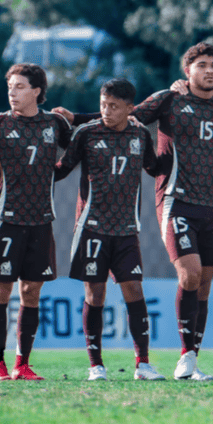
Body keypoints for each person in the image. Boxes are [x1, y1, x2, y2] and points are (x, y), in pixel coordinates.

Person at [56, 42, 213, 380]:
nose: (209, 71)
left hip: (212, 206)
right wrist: (76, 119)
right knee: (189, 274)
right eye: (202, 65)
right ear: (187, 71)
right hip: (175, 200)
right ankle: (116, 363)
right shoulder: (169, 99)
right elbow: (122, 114)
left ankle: (189, 358)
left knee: (204, 285)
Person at [0, 63, 74, 381]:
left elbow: (76, 151)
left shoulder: (54, 123)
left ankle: (23, 364)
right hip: (6, 218)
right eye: (10, 85)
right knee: (2, 289)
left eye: (19, 86)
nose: (12, 91)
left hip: (41, 220)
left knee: (31, 291)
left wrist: (54, 171)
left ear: (36, 91)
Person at [54, 79, 165, 381]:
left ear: (130, 109)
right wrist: (35, 171)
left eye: (114, 106)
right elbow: (62, 169)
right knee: (96, 293)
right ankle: (96, 366)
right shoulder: (86, 133)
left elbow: (154, 167)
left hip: (127, 229)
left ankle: (142, 364)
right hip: (92, 229)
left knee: (134, 290)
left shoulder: (141, 134)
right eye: (103, 104)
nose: (106, 110)